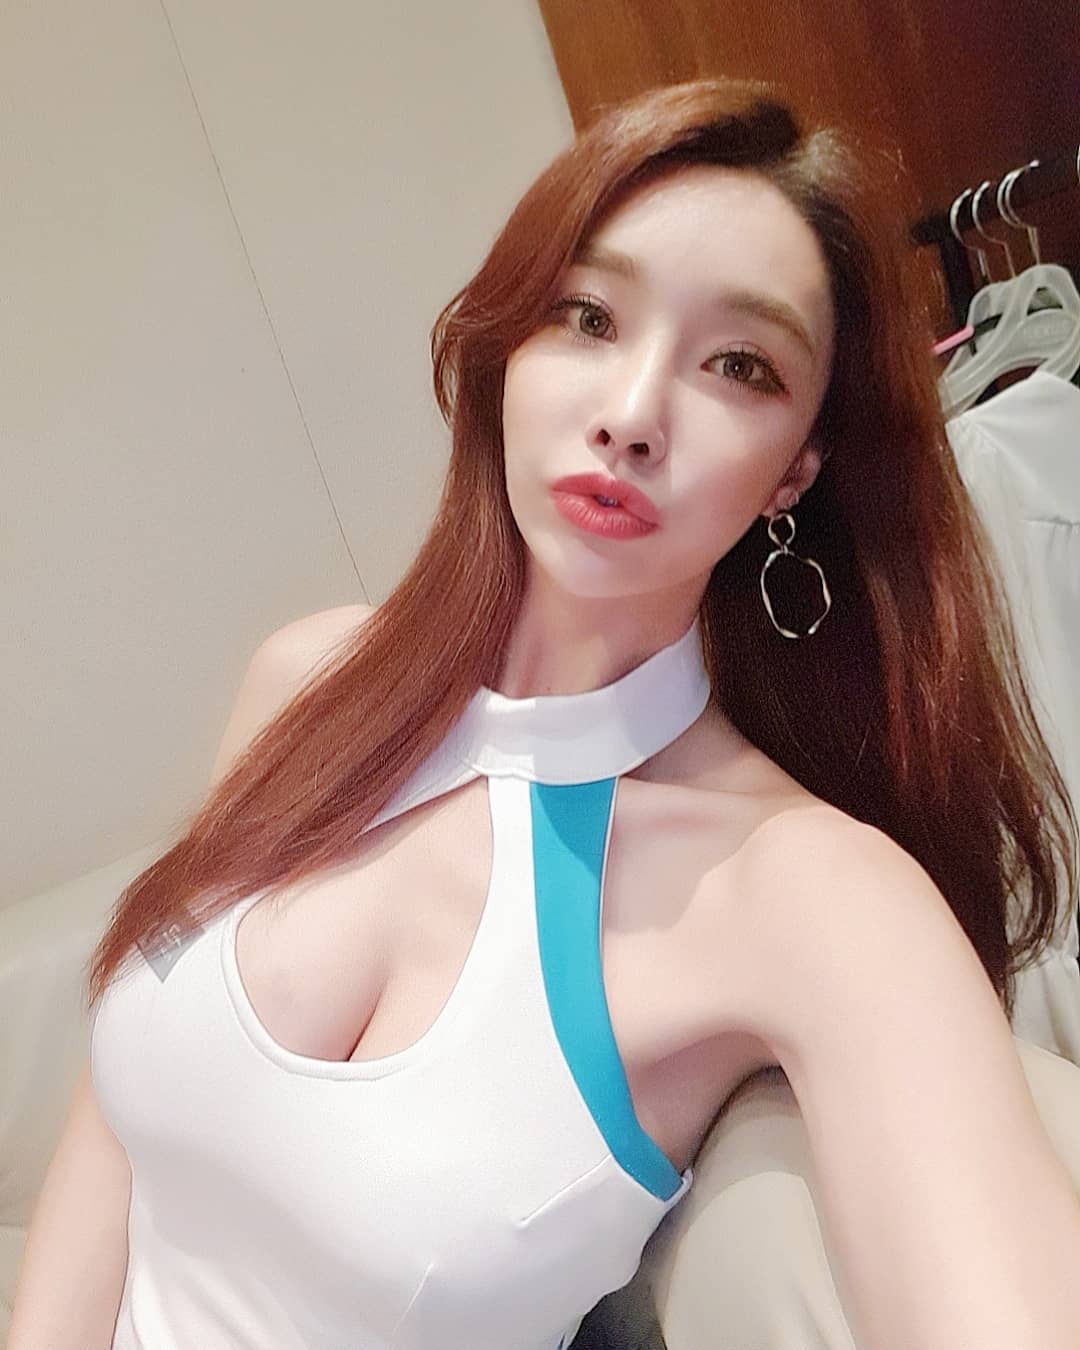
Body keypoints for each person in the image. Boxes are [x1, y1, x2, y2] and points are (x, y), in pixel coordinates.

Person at [10, 77, 1080, 1350]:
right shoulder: (306, 683)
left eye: (739, 366)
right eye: (588, 316)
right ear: (508, 350)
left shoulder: (801, 890)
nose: (632, 416)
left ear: (795, 470)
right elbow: (112, 1142)